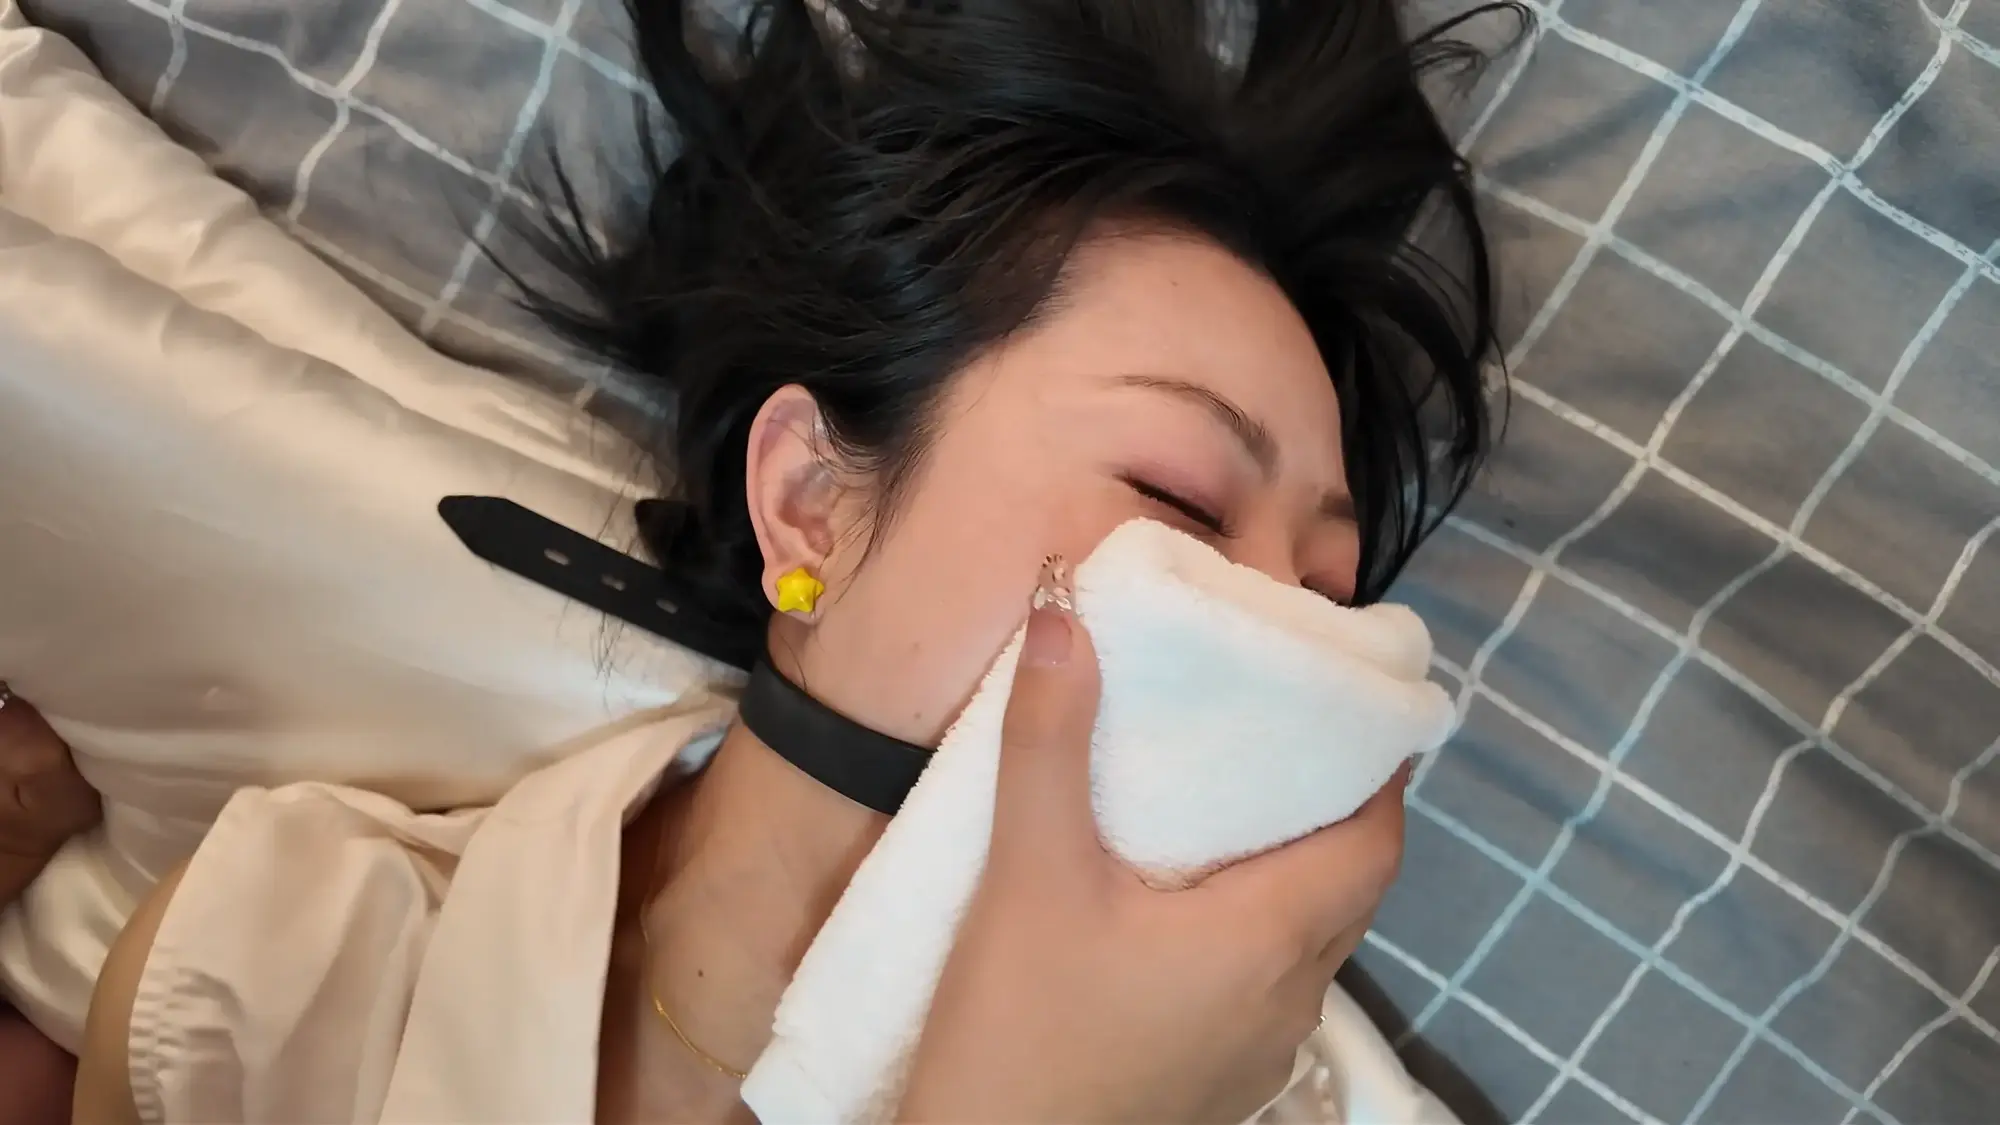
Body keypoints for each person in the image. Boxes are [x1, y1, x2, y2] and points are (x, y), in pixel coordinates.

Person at [32, 0, 1519, 1119]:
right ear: (811, 501)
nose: (1273, 634)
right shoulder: (269, 984)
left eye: (1327, 601)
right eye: (1181, 500)